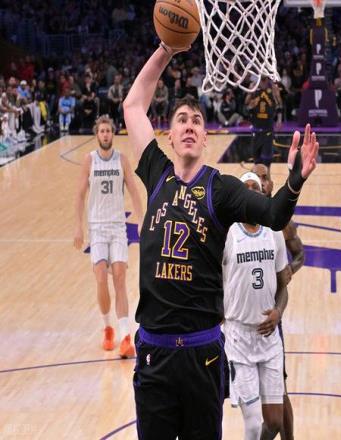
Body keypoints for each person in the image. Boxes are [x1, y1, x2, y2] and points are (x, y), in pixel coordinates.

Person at [123, 42, 318, 440]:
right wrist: (165, 49)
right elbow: (133, 105)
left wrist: (295, 179)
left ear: (205, 137)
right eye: (181, 120)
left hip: (203, 353)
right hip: (155, 351)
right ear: (169, 136)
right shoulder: (156, 172)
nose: (189, 125)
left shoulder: (222, 189)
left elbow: (274, 214)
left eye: (196, 121)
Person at [223, 172, 290, 440]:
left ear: (263, 194)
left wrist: (278, 312)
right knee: (252, 424)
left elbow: (283, 285)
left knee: (274, 422)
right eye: (245, 187)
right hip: (239, 337)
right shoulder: (227, 233)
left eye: (255, 187)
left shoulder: (274, 232)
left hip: (269, 338)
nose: (251, 190)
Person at [73, 115, 143, 358]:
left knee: (120, 277)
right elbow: (80, 195)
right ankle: (107, 328)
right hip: (97, 227)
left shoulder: (121, 160)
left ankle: (126, 336)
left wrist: (141, 218)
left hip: (117, 227)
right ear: (97, 134)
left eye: (108, 131)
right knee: (101, 277)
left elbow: (133, 190)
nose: (105, 134)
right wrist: (78, 227)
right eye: (102, 131)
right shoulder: (89, 160)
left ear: (113, 134)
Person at [252, 163, 304, 440]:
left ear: (272, 184)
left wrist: (288, 270)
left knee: (279, 393)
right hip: (242, 320)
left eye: (265, 177)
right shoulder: (237, 221)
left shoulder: (281, 222)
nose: (261, 182)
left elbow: (300, 254)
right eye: (256, 178)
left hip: (271, 316)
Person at [245, 77, 283, 167]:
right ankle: (257, 175)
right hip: (256, 126)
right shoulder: (253, 85)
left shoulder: (273, 86)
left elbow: (279, 104)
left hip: (268, 127)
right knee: (256, 159)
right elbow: (246, 103)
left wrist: (279, 119)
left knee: (267, 160)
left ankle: (267, 175)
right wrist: (250, 95)